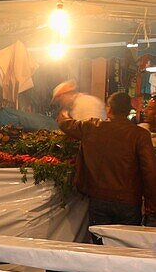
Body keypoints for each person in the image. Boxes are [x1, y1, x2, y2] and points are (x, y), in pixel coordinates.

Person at [59, 91, 156, 233]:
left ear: (109, 109)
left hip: (99, 199)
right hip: (129, 202)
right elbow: (150, 172)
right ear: (128, 111)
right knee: (126, 246)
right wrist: (151, 204)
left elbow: (66, 124)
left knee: (100, 246)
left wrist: (64, 113)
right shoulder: (140, 135)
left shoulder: (92, 127)